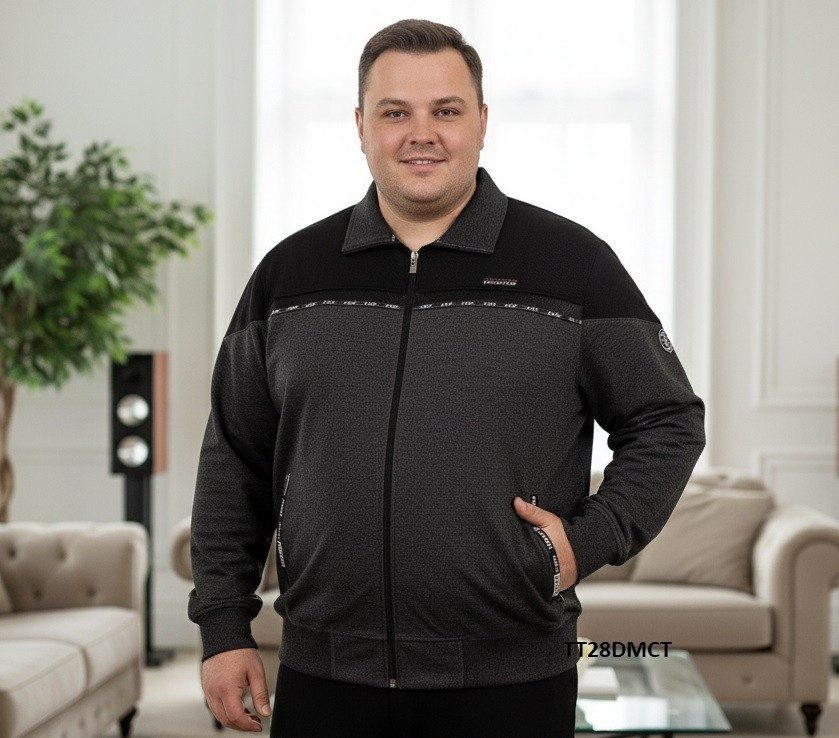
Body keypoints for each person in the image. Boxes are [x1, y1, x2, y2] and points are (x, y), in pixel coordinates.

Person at [187, 18, 706, 738]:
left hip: (512, 680)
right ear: (360, 126)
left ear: (482, 123)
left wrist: (585, 542)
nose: (420, 134)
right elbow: (234, 457)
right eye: (395, 112)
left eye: (446, 111)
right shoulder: (289, 276)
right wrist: (222, 627)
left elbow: (667, 420)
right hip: (324, 675)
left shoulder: (572, 266)